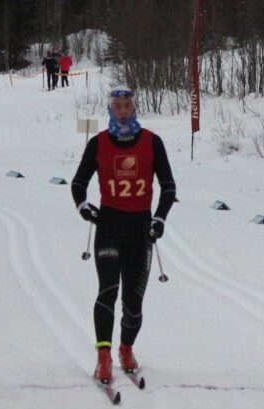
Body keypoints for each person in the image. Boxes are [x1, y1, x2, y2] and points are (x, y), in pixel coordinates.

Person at [71, 86, 176, 384]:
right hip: (109, 226)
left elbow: (169, 187)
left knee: (133, 302)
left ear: (135, 108)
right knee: (107, 291)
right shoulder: (99, 143)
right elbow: (78, 182)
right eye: (117, 106)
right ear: (110, 110)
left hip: (140, 230)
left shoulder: (152, 142)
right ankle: (103, 356)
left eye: (128, 105)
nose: (123, 110)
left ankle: (126, 348)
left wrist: (159, 219)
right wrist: (83, 207)